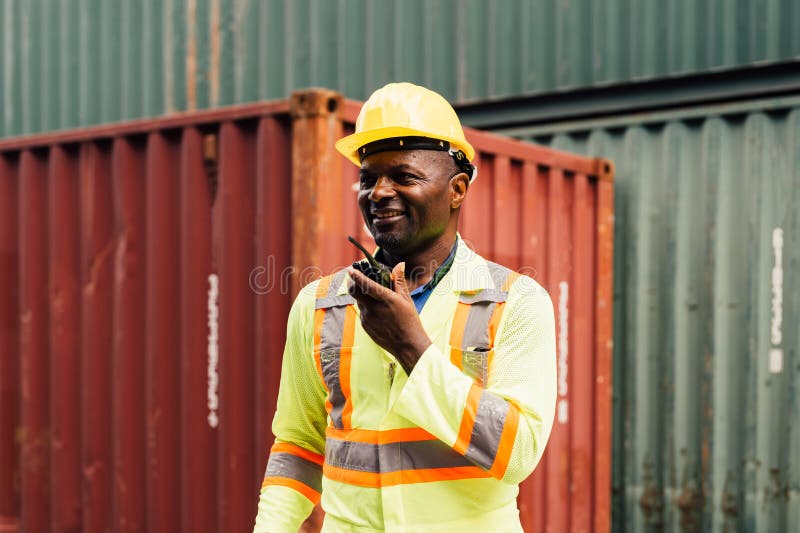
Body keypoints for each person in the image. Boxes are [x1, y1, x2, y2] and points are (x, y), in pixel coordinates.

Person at [253, 82, 556, 532]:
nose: (379, 192)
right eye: (369, 177)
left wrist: (411, 347)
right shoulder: (319, 304)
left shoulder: (515, 302)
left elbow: (518, 453)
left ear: (456, 189)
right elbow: (298, 445)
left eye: (404, 176)